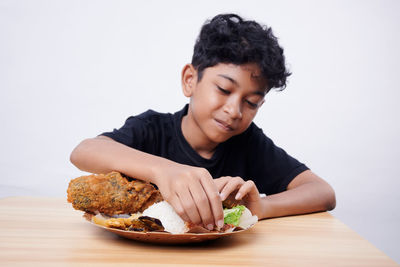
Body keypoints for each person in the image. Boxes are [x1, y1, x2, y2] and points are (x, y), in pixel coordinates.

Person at [70, 13, 336, 231]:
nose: (234, 110)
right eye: (223, 89)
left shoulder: (249, 143)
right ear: (190, 80)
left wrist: (262, 207)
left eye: (251, 102)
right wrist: (163, 171)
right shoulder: (153, 129)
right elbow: (84, 151)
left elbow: (322, 192)